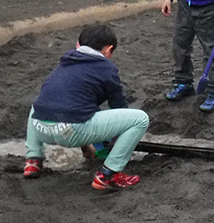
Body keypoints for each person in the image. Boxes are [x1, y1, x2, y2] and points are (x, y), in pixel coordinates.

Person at [23, 23, 150, 191]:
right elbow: (118, 106)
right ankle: (109, 175)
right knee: (140, 119)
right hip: (70, 130)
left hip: (39, 127)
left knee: (41, 103)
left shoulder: (64, 62)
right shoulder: (106, 68)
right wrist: (116, 141)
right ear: (108, 49)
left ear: (78, 45)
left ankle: (33, 160)